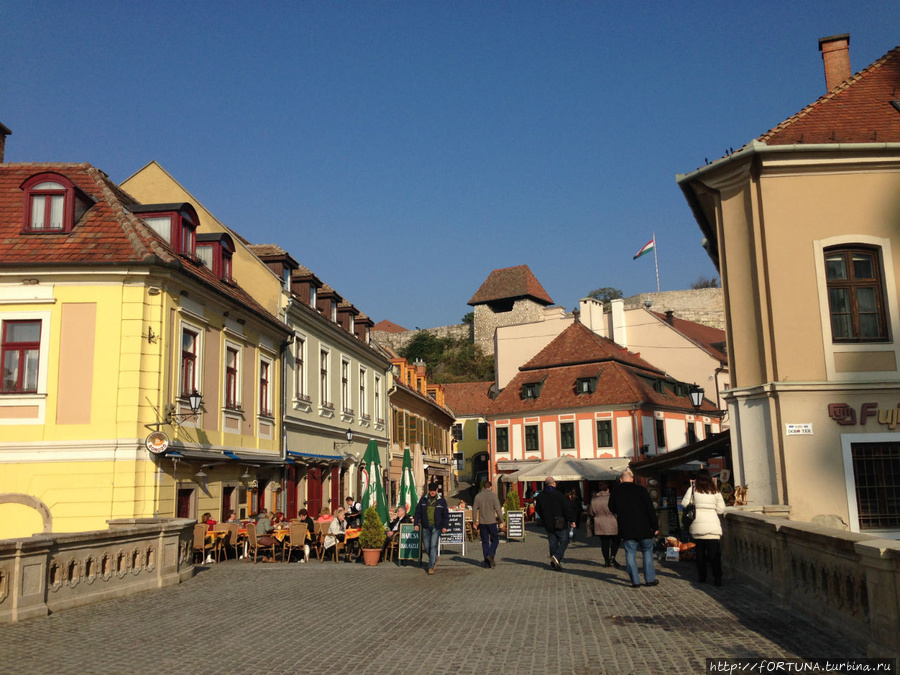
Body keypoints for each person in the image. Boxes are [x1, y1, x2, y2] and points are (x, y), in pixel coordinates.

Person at [608, 470, 659, 588]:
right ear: (632, 479)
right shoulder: (641, 490)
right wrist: (655, 526)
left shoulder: (616, 492)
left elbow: (611, 508)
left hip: (627, 528)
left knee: (630, 553)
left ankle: (635, 581)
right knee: (647, 552)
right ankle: (650, 579)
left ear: (621, 480)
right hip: (644, 527)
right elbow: (650, 509)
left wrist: (620, 512)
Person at [682, 470, 726, 585]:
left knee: (700, 554)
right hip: (712, 526)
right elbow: (721, 509)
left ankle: (702, 577)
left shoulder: (692, 490)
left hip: (697, 525)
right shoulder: (715, 491)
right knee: (714, 555)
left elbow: (685, 504)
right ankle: (717, 577)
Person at [535, 476, 577, 571]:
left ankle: (554, 564)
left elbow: (538, 509)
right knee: (565, 541)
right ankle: (557, 557)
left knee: (552, 543)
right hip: (560, 522)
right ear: (554, 484)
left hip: (548, 523)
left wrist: (544, 518)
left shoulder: (540, 496)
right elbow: (567, 508)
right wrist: (572, 520)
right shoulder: (559, 495)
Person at [414, 482, 449, 575]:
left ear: (437, 490)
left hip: (436, 527)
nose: (432, 492)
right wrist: (416, 523)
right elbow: (417, 512)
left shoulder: (441, 501)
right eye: (431, 490)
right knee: (426, 547)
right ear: (428, 490)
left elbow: (446, 515)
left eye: (434, 490)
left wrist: (445, 526)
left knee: (433, 546)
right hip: (425, 526)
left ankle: (431, 566)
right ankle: (434, 558)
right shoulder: (423, 500)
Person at [472, 480, 504, 568]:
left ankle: (486, 563)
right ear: (490, 487)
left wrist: (474, 521)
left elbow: (474, 509)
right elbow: (498, 509)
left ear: (483, 487)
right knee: (495, 540)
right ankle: (490, 554)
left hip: (482, 522)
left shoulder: (478, 496)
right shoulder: (494, 496)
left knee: (485, 542)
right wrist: (502, 520)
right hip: (492, 522)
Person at [589, 482, 620, 567]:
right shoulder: (612, 498)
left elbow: (591, 513)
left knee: (604, 543)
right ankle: (613, 556)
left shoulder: (594, 499)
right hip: (612, 522)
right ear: (608, 489)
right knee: (615, 540)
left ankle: (606, 561)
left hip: (599, 523)